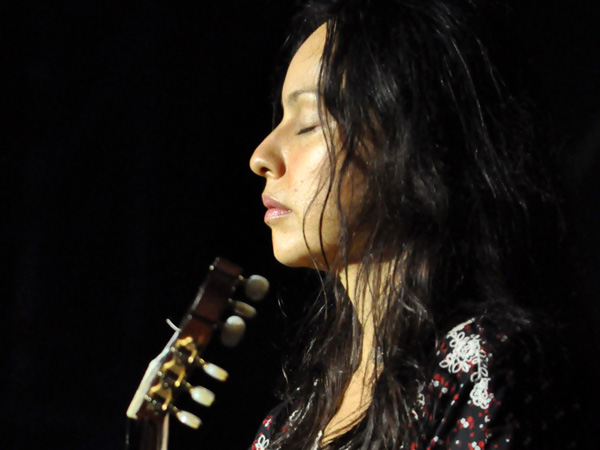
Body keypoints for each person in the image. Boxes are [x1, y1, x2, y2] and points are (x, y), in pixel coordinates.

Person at [248, 1, 583, 448]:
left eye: (308, 123)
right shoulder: (294, 419)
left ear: (413, 148)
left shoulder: (484, 369)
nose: (262, 156)